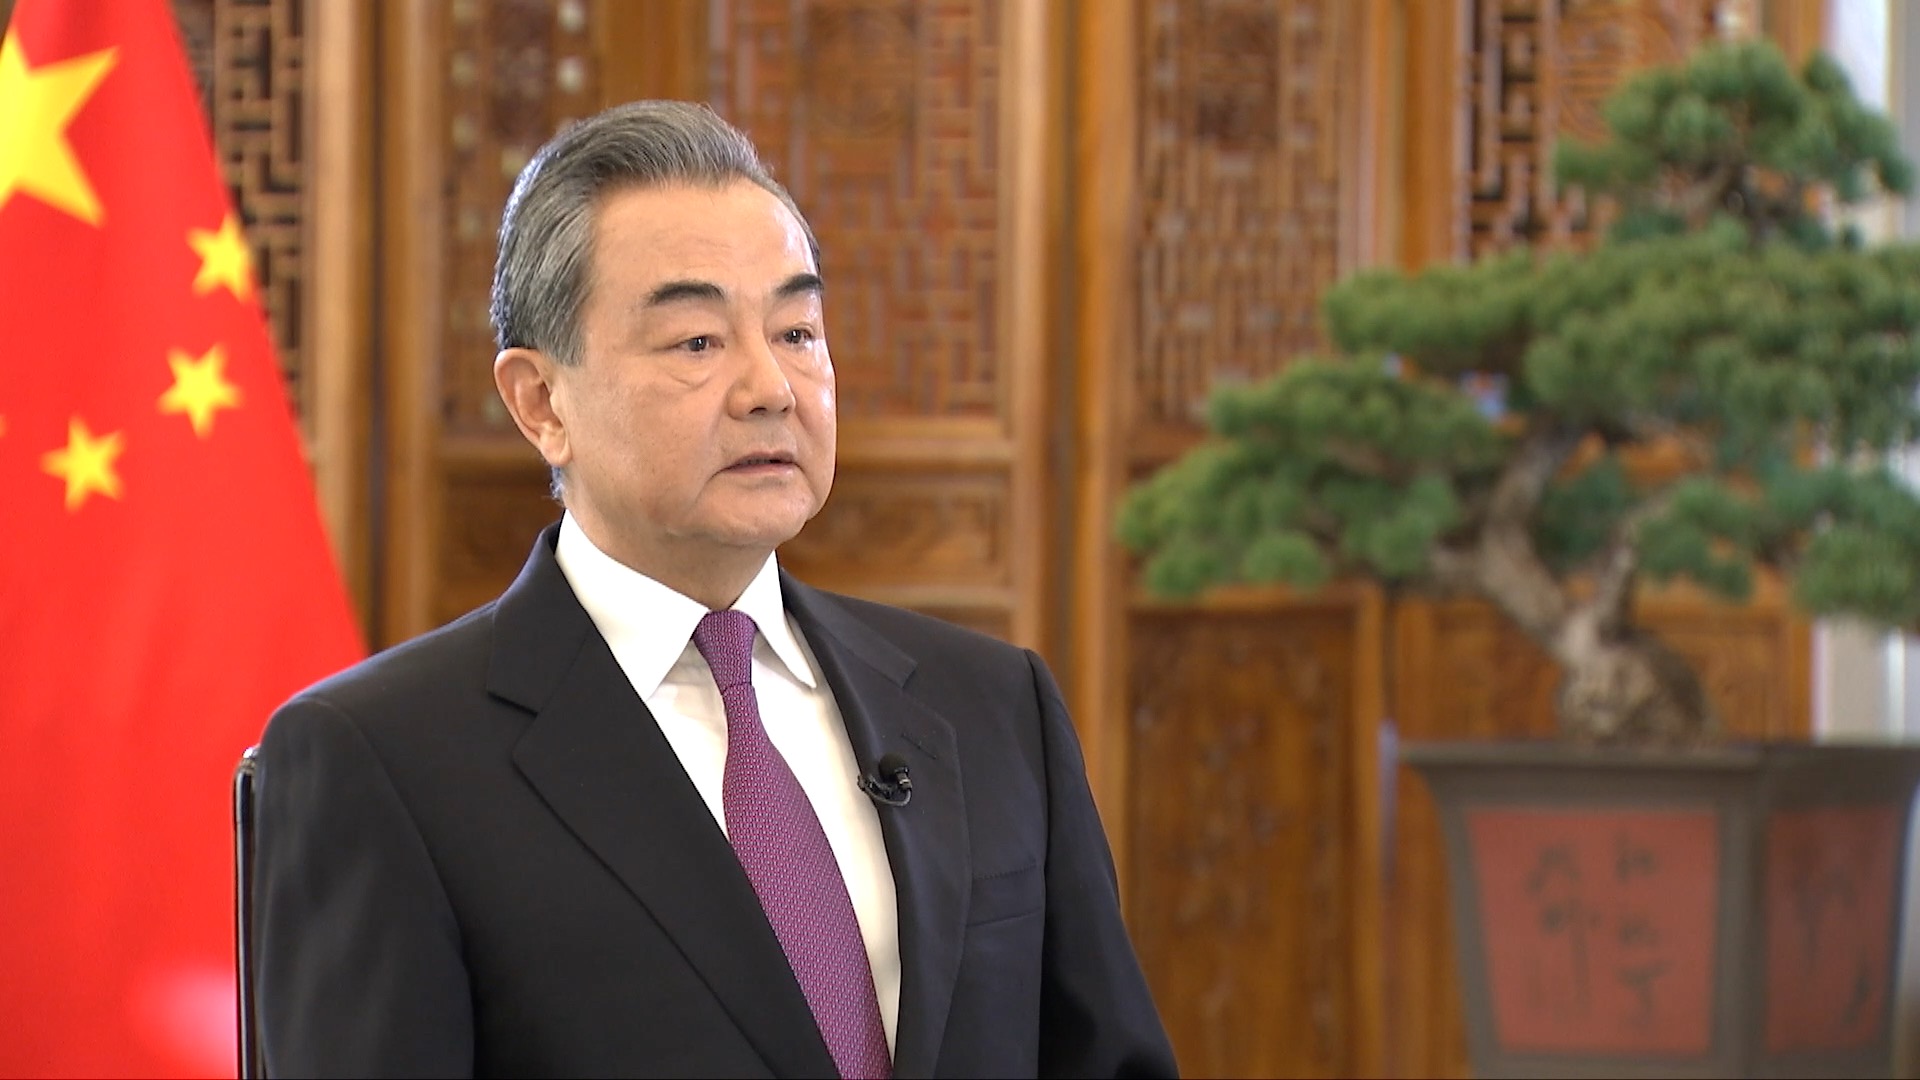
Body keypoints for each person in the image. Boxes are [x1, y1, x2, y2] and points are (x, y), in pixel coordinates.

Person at [252, 99, 1177, 1079]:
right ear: (541, 401)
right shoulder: (384, 760)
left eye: (797, 331)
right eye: (697, 342)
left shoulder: (992, 706)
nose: (770, 387)